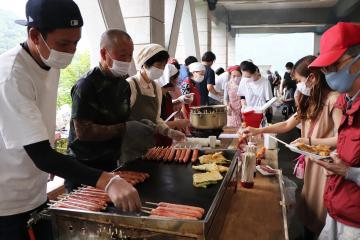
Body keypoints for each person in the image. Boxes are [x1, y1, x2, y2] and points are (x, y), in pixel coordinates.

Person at [0, 1, 141, 239]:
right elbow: (42, 155)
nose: (71, 51)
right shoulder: (12, 75)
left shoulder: (48, 61)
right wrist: (107, 180)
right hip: (9, 202)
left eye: (76, 42)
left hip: (35, 193)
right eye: (64, 43)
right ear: (34, 35)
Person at [243, 55, 342, 239]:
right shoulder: (311, 99)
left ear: (312, 78)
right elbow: (287, 125)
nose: (298, 85)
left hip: (327, 166)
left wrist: (309, 142)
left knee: (321, 210)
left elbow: (342, 139)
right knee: (309, 206)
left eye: (299, 80)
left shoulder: (334, 100)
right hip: (313, 162)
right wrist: (258, 130)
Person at [65, 29, 136, 191]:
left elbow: (123, 118)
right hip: (84, 167)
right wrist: (124, 129)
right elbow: (83, 132)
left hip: (111, 164)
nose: (127, 60)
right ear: (104, 54)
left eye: (130, 55)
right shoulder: (87, 85)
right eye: (122, 54)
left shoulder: (124, 85)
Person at [308, 22, 360, 240]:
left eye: (333, 66)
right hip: (338, 207)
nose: (328, 74)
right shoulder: (346, 100)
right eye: (325, 69)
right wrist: (338, 162)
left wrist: (349, 172)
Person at [127, 44, 186, 142]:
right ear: (145, 64)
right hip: (131, 142)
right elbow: (124, 119)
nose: (161, 70)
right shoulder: (131, 85)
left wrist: (169, 131)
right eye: (159, 65)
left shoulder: (156, 87)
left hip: (150, 141)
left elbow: (157, 119)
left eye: (163, 66)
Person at [155, 63, 191, 146]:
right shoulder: (156, 95)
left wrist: (179, 100)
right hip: (157, 141)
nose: (177, 81)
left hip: (167, 138)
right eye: (175, 78)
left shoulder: (166, 94)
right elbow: (154, 125)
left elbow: (167, 107)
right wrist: (177, 123)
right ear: (168, 79)